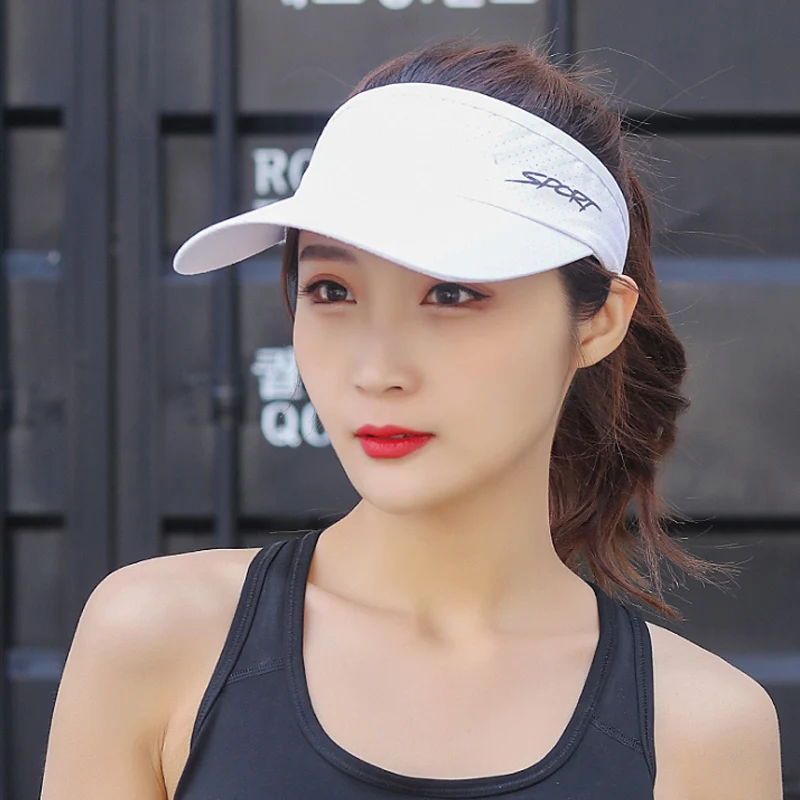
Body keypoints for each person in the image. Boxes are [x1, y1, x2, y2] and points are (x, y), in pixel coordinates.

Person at [40, 41, 783, 800]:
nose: (375, 369)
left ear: (597, 322)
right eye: (331, 289)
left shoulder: (698, 732)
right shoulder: (158, 639)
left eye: (453, 293)